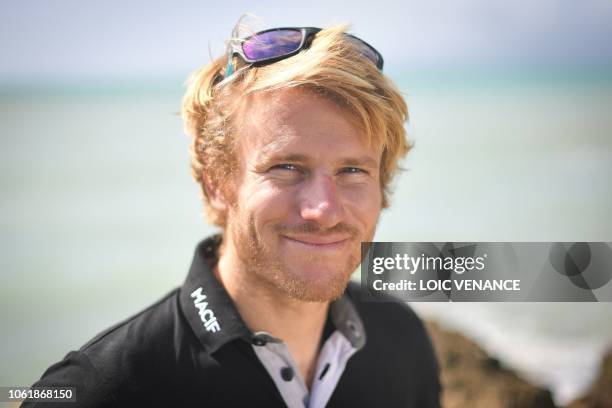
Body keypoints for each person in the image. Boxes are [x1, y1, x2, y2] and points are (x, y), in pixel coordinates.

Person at [24, 22, 441, 407]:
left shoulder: (403, 338)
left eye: (353, 170)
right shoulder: (100, 388)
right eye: (286, 168)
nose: (325, 211)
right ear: (216, 183)